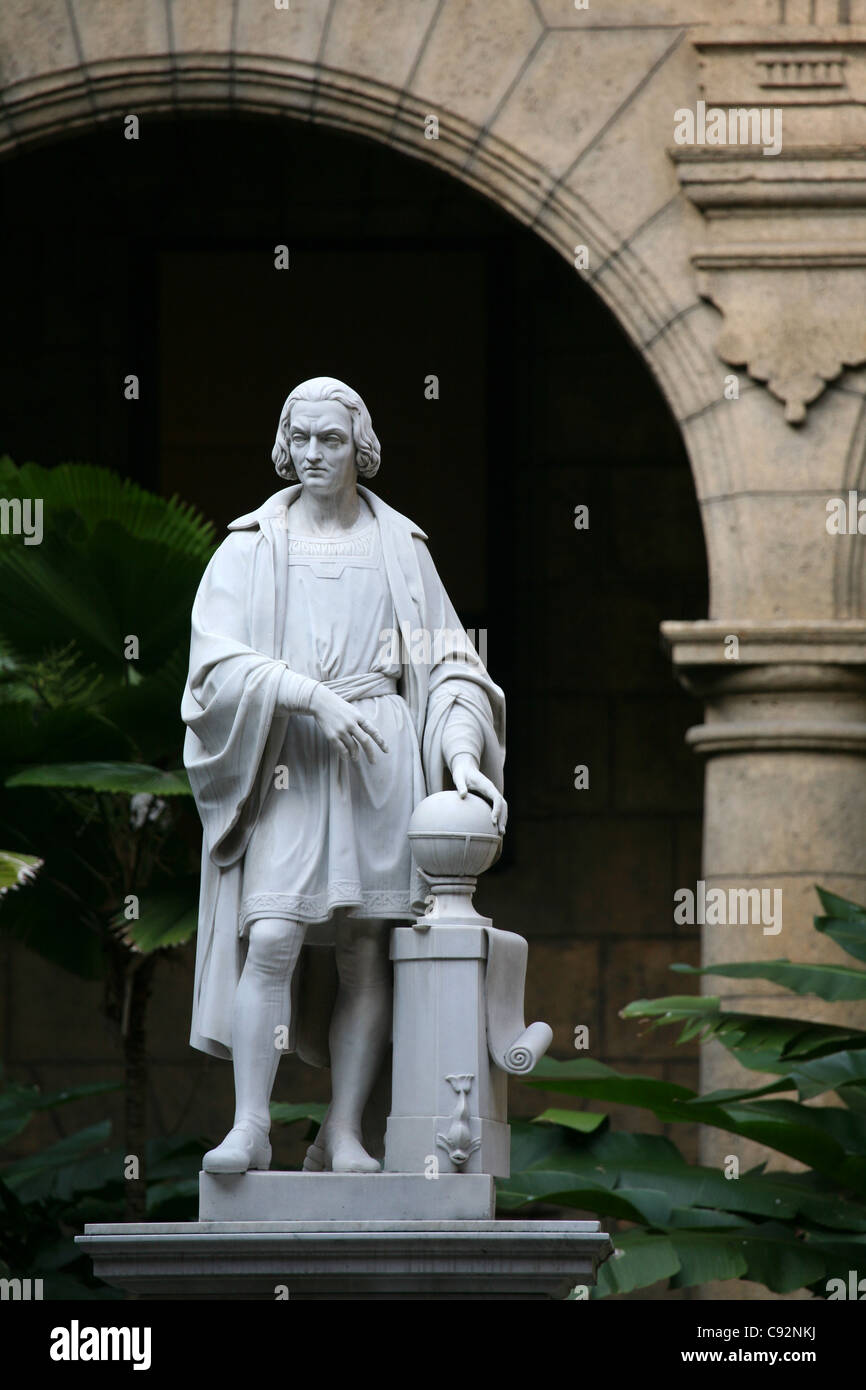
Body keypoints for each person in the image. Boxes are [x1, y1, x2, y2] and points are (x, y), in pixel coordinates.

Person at [182, 377, 506, 1173]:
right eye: (302, 440)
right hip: (289, 756)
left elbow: (453, 667)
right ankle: (250, 1126)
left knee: (366, 946)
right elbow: (213, 670)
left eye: (331, 440)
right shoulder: (250, 546)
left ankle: (345, 1132)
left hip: (379, 754)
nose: (314, 454)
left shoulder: (400, 547)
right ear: (284, 446)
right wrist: (306, 695)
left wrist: (461, 753)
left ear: (360, 447)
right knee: (274, 934)